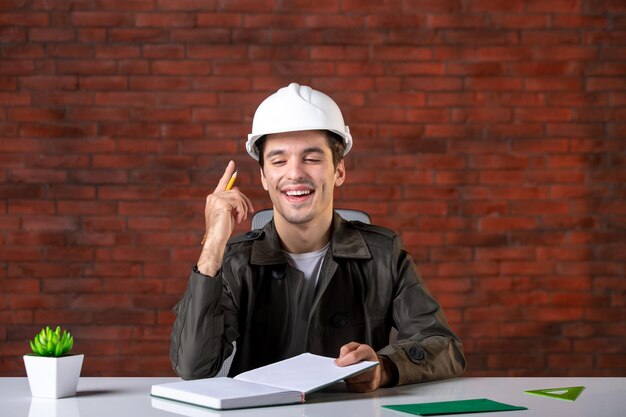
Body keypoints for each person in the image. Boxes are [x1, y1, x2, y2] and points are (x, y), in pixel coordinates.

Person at [170, 83, 465, 392]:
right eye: (279, 160)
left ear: (338, 171)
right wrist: (214, 245)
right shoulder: (233, 261)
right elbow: (194, 367)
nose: (295, 173)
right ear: (263, 177)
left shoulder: (384, 255)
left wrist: (385, 367)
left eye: (311, 158)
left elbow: (444, 346)